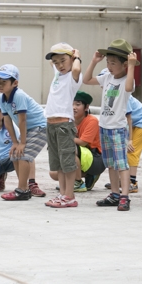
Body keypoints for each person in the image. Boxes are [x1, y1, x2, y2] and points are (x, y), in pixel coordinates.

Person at [84, 39, 138, 212]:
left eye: (113, 62)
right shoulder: (106, 77)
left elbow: (129, 87)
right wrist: (94, 61)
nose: (109, 65)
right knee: (111, 163)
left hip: (117, 128)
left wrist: (131, 66)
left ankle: (124, 196)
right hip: (104, 126)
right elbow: (86, 80)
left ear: (124, 64)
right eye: (108, 61)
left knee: (122, 164)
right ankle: (114, 194)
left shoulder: (126, 80)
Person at [0, 64, 48, 201]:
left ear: (15, 83)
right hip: (29, 129)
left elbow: (22, 121)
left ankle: (22, 190)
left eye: (4, 82)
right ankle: (22, 188)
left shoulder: (19, 96)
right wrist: (15, 142)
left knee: (24, 155)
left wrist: (22, 142)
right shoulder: (2, 98)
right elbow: (7, 120)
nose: (0, 85)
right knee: (16, 154)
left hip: (41, 127)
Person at [44, 43, 83, 208]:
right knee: (58, 162)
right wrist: (57, 60)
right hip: (51, 124)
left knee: (67, 161)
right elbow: (52, 63)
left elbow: (75, 69)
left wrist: (77, 56)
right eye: (56, 61)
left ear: (72, 60)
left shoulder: (73, 78)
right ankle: (62, 193)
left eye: (63, 60)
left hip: (64, 125)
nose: (60, 65)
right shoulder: (57, 75)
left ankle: (70, 196)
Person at [49, 91, 105, 192]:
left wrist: (62, 139)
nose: (73, 107)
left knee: (69, 148)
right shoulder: (68, 120)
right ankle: (89, 176)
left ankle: (78, 182)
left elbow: (83, 142)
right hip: (82, 157)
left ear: (86, 107)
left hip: (96, 158)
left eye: (78, 104)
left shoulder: (92, 121)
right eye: (71, 104)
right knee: (53, 174)